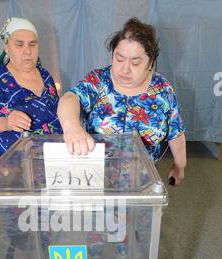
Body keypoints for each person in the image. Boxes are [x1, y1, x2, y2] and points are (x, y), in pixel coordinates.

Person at [58, 17, 186, 186]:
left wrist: (180, 165)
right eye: (119, 59)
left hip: (141, 180)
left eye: (135, 62)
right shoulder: (98, 81)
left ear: (151, 62)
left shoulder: (163, 90)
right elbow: (69, 98)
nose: (125, 69)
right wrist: (71, 127)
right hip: (95, 178)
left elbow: (175, 132)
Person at [0, 17, 62, 160]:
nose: (27, 51)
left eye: (32, 44)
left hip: (52, 161)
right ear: (7, 47)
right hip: (14, 167)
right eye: (19, 45)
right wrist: (5, 123)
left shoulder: (45, 75)